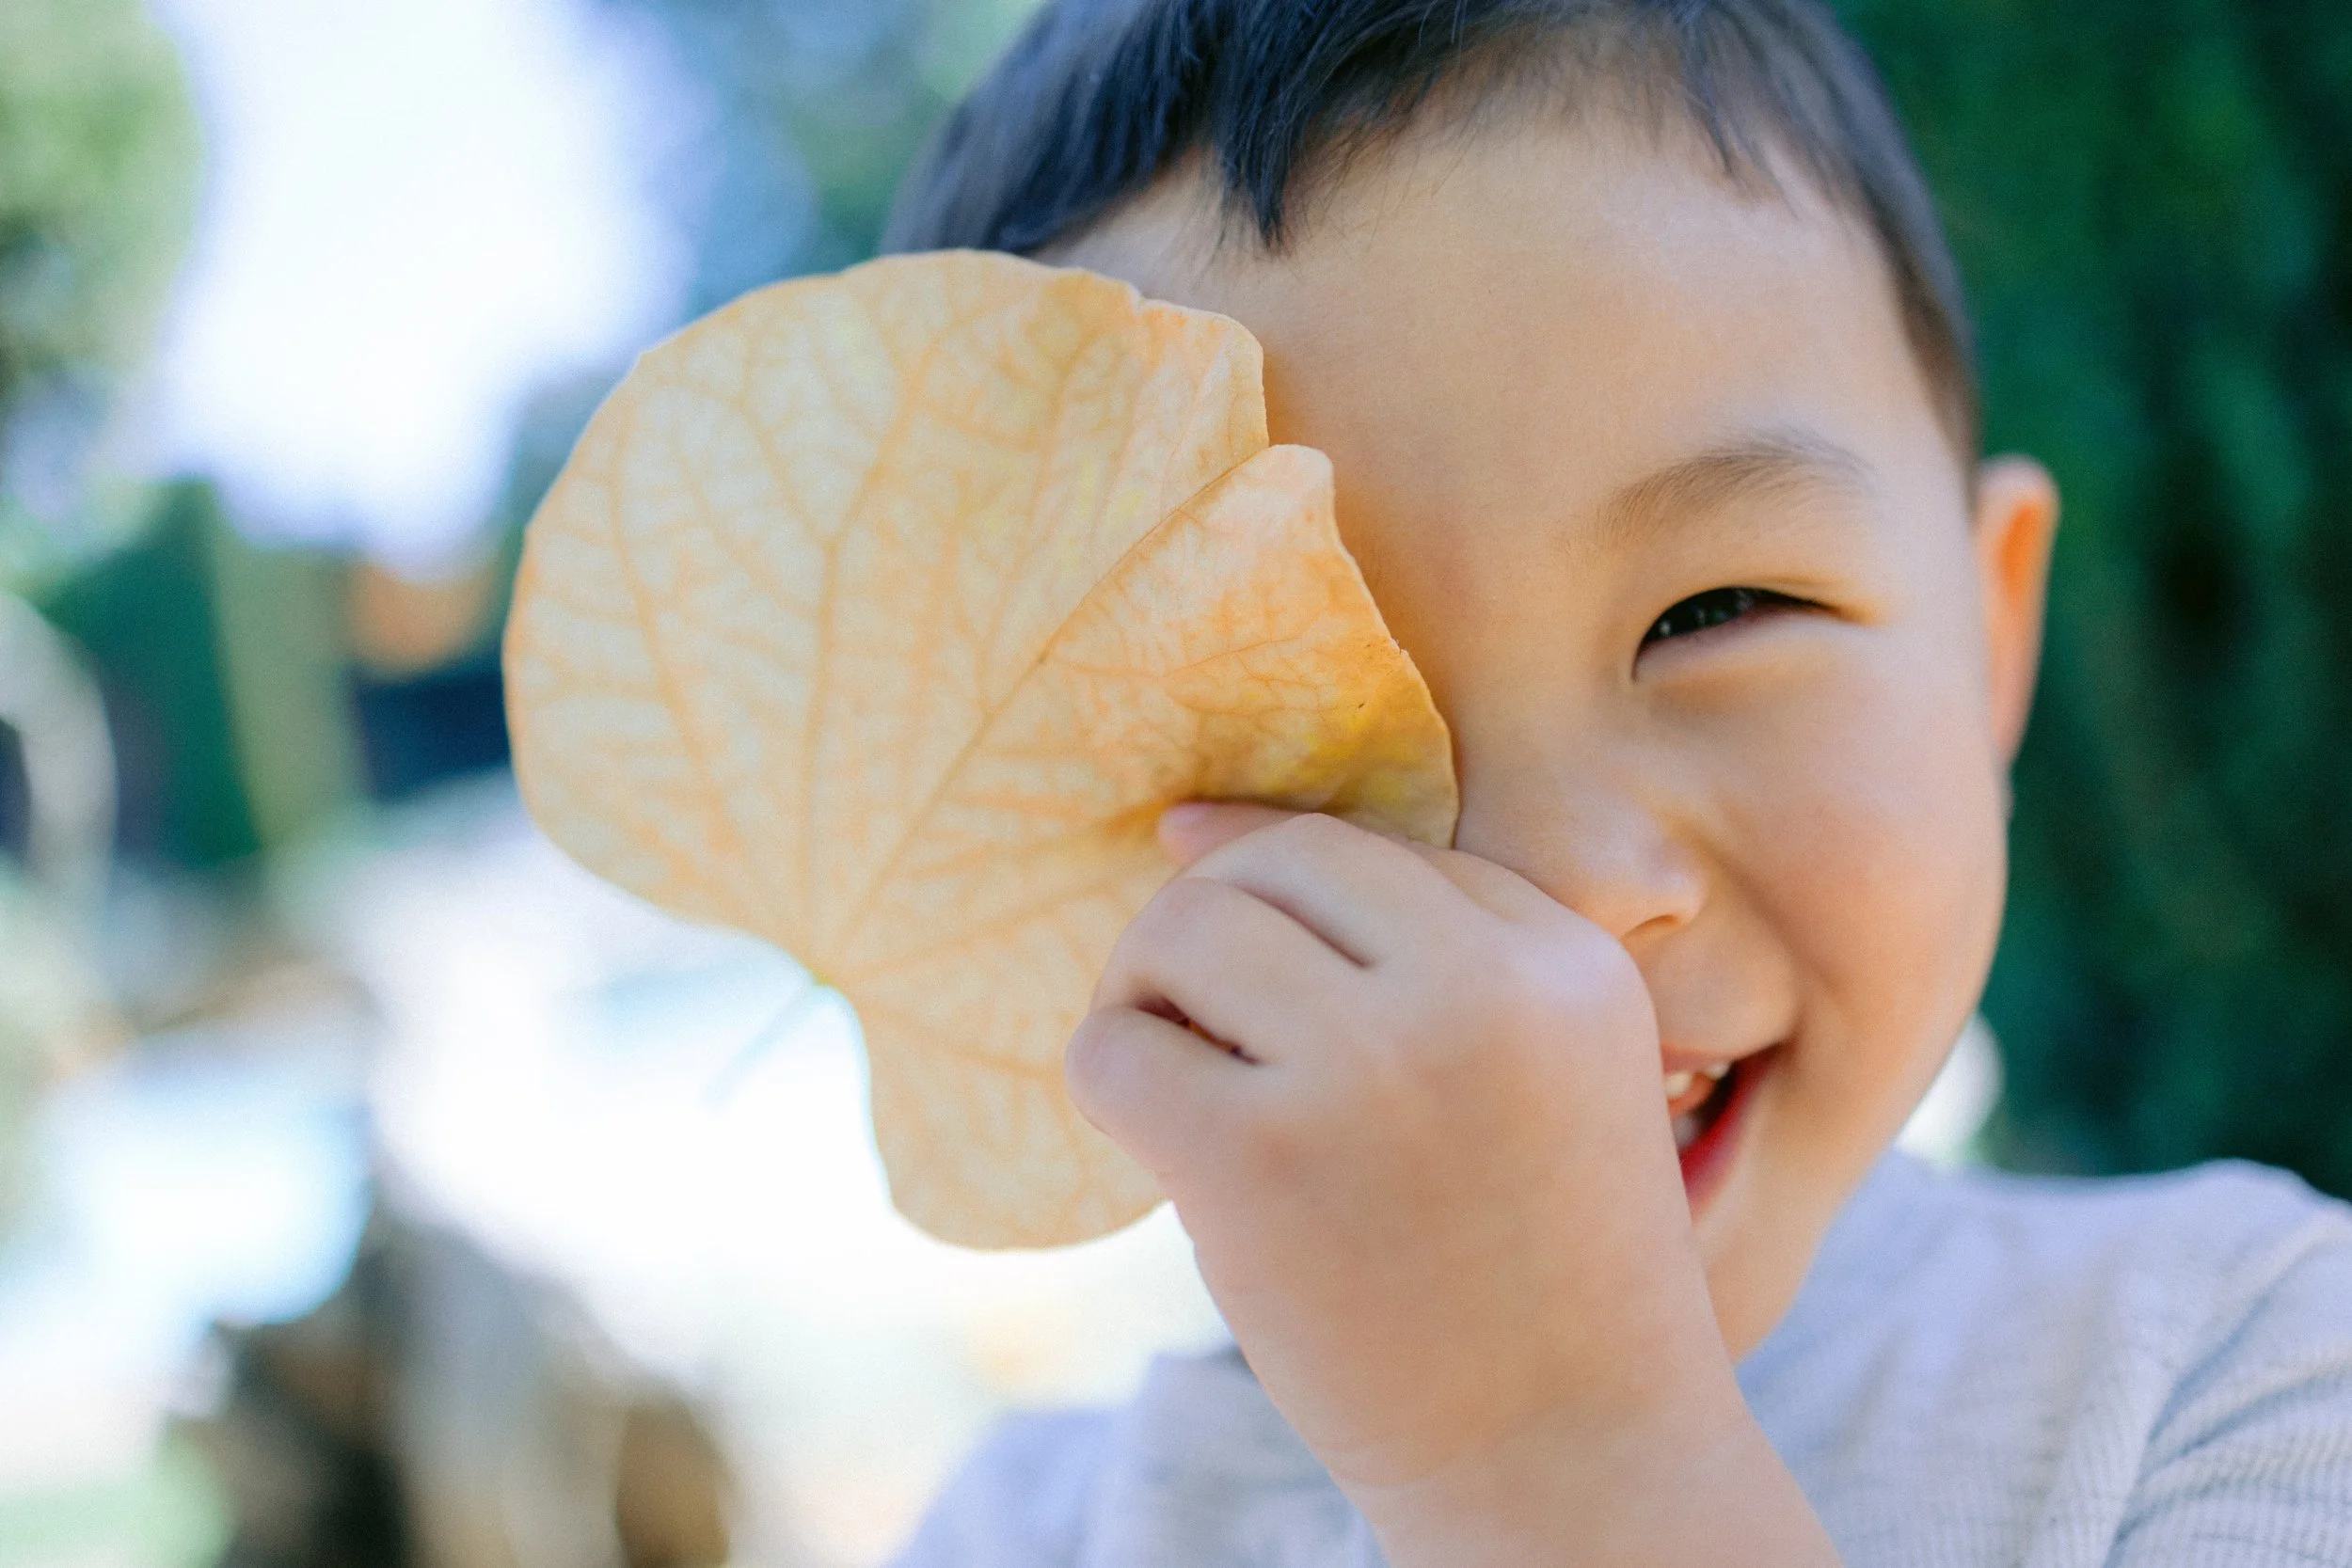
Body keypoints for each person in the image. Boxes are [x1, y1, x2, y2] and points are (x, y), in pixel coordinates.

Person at [878, 2, 2352, 1563]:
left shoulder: (2252, 1359)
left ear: (1986, 639)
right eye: (1290, 734)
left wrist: (1550, 1452)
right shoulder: (1019, 1533)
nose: (1564, 894)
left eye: (1717, 611)